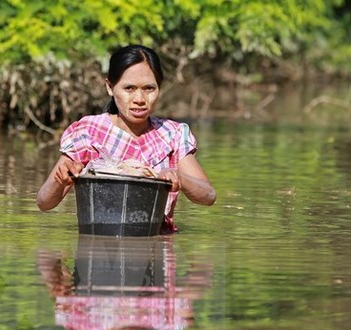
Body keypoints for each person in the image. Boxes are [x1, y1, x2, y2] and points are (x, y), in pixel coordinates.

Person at [36, 44, 216, 232]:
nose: (140, 98)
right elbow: (44, 202)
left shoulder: (172, 134)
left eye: (149, 89)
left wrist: (176, 177)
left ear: (159, 89)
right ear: (110, 87)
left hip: (157, 245)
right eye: (129, 88)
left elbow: (208, 195)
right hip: (99, 246)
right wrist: (61, 178)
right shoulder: (88, 132)